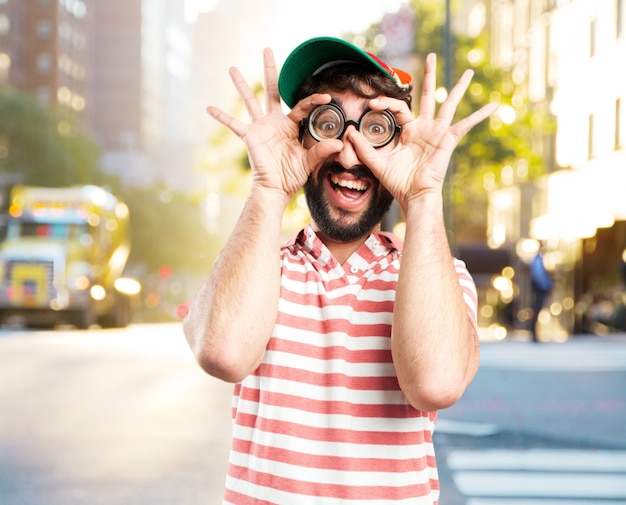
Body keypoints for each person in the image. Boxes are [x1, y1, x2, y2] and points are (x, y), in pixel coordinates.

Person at [183, 36, 497, 504]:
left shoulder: (437, 274)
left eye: (374, 129)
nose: (350, 156)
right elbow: (223, 355)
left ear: (400, 142)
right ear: (300, 136)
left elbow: (435, 384)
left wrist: (423, 197)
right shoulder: (259, 264)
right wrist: (268, 187)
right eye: (328, 124)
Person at [529, 246, 554, 341]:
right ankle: (533, 332)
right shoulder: (538, 260)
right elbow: (539, 275)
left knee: (537, 310)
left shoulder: (538, 260)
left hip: (540, 287)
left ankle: (534, 332)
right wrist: (547, 285)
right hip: (540, 288)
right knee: (537, 309)